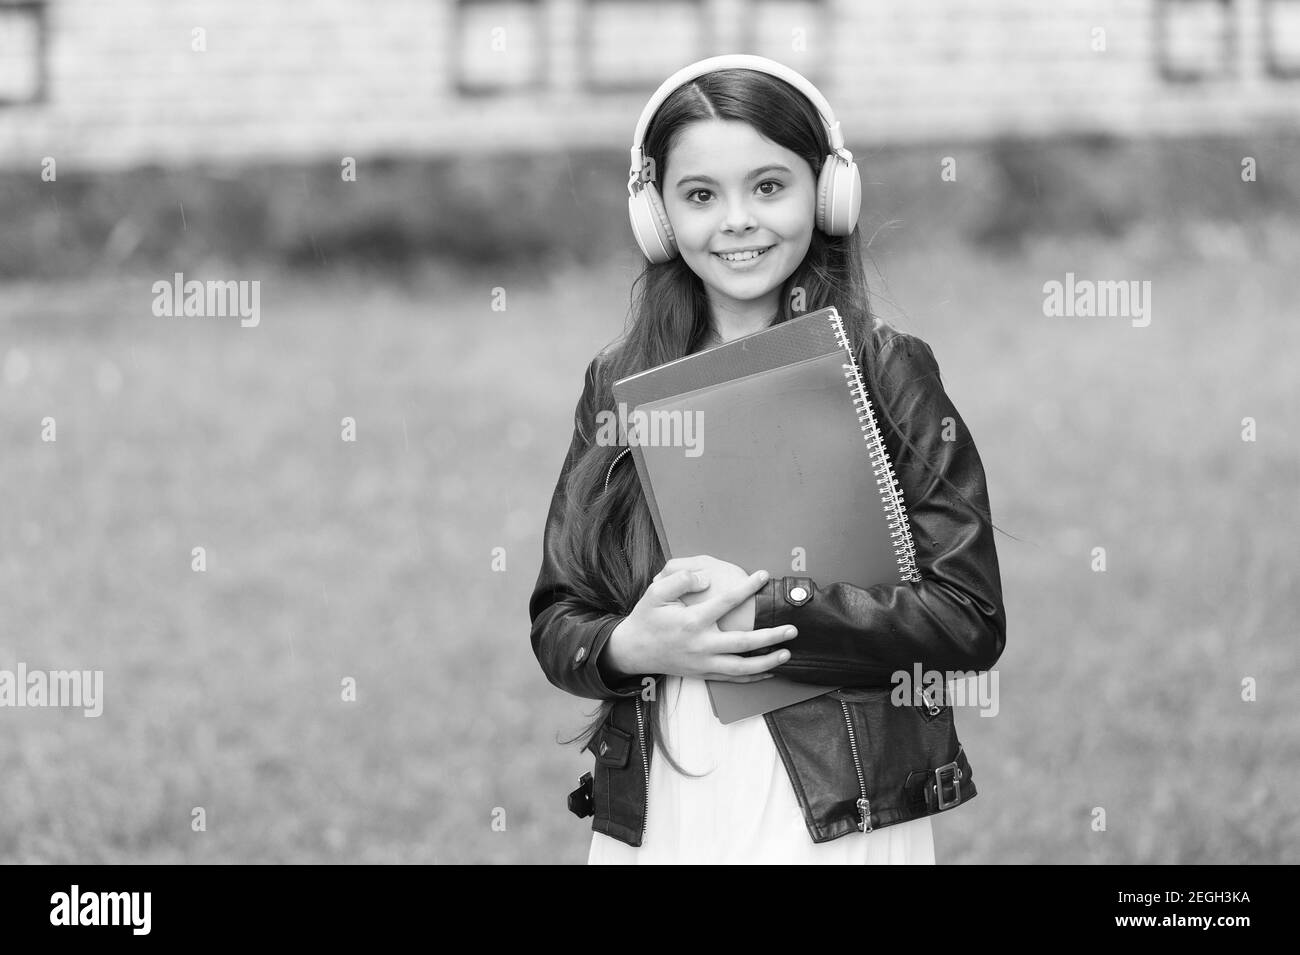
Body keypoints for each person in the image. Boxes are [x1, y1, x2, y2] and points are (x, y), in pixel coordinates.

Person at [528, 54, 1007, 864]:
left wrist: (773, 608)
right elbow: (557, 618)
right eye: (701, 195)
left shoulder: (889, 369)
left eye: (769, 186)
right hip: (665, 806)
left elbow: (967, 619)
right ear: (658, 215)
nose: (737, 220)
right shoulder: (617, 385)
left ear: (826, 196)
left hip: (837, 804)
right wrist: (626, 647)